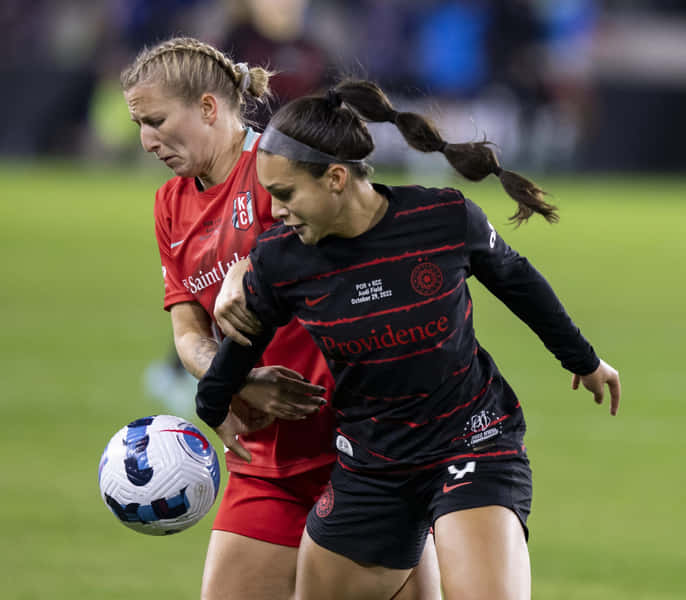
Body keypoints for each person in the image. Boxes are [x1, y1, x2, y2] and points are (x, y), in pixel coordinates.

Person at [199, 79, 621, 599]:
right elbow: (242, 344)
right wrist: (214, 402)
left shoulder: (441, 218)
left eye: (285, 194)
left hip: (473, 440)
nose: (276, 210)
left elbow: (518, 281)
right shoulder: (282, 259)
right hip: (372, 465)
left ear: (336, 178)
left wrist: (583, 360)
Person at [121, 38, 439, 600]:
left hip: (363, 452)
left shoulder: (283, 169)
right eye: (140, 125)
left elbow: (367, 257)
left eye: (157, 121)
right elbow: (189, 333)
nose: (147, 141)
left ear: (208, 107)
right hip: (264, 461)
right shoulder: (170, 205)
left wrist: (250, 268)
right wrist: (236, 380)